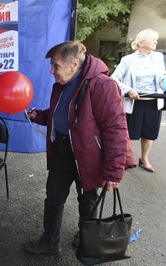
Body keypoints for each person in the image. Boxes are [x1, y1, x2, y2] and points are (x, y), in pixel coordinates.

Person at [24, 41, 135, 255]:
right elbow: (64, 115)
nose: (51, 71)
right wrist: (40, 116)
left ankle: (87, 239)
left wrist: (114, 171)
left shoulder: (102, 84)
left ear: (74, 64)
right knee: (54, 198)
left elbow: (116, 129)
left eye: (55, 66)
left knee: (88, 201)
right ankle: (49, 242)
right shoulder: (63, 83)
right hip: (62, 151)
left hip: (87, 156)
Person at [111, 28, 166, 173]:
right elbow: (113, 80)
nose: (155, 41)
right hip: (134, 101)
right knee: (128, 132)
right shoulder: (127, 60)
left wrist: (163, 81)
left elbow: (162, 75)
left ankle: (144, 158)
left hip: (154, 100)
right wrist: (128, 89)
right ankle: (124, 158)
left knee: (150, 132)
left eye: (156, 39)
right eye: (152, 39)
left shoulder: (158, 57)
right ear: (141, 42)